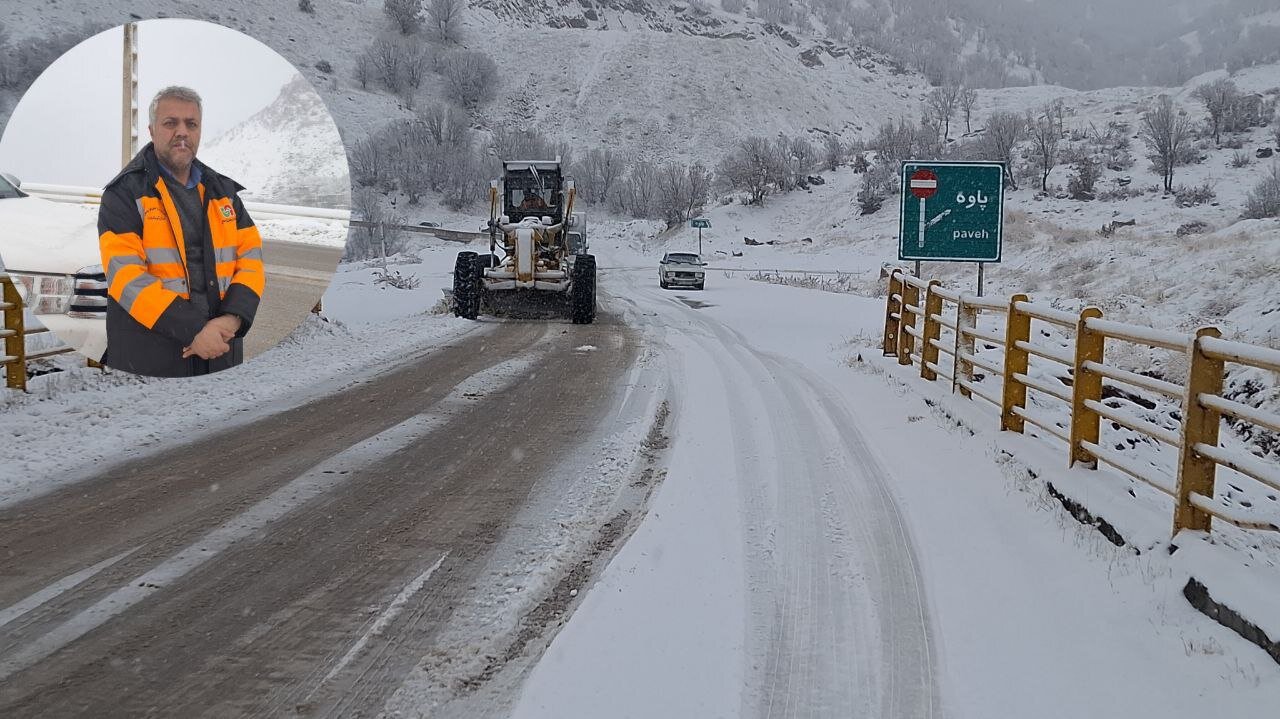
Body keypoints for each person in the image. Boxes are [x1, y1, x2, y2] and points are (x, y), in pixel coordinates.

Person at [98, 86, 264, 377]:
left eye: (191, 124)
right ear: (152, 130)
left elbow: (251, 260)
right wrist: (194, 331)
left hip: (220, 351)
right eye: (170, 123)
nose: (182, 132)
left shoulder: (223, 193)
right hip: (152, 357)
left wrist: (232, 319)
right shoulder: (124, 194)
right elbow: (126, 277)